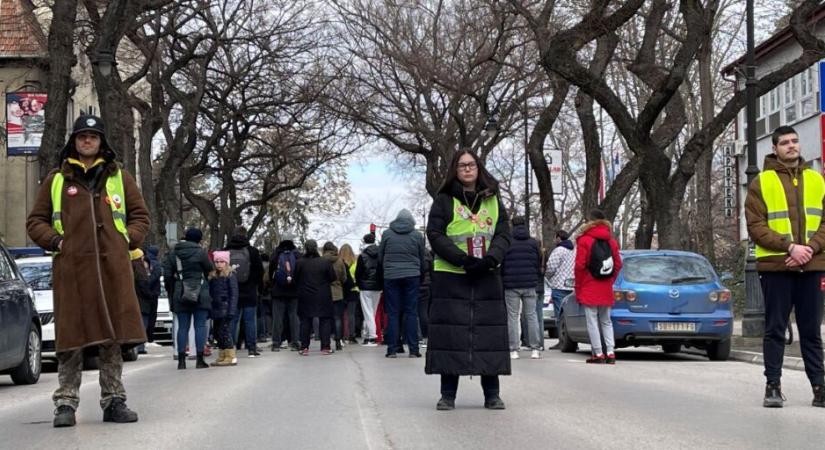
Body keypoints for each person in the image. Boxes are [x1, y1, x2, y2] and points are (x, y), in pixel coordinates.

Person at [26, 114, 150, 427]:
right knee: (71, 341)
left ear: (101, 142)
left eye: (93, 137)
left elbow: (140, 216)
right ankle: (66, 403)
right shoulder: (58, 179)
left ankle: (114, 400)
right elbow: (35, 221)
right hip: (73, 273)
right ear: (74, 141)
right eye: (82, 136)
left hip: (112, 271)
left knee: (112, 338)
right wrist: (57, 241)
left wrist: (126, 240)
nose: (87, 141)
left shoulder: (119, 177)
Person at [745, 125, 825, 408]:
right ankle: (773, 386)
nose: (792, 146)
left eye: (795, 141)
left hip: (811, 265)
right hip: (777, 267)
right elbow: (755, 226)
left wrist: (809, 250)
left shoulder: (817, 180)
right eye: (785, 143)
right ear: (775, 148)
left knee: (811, 330)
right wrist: (790, 247)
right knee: (775, 328)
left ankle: (819, 387)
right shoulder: (761, 182)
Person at [425, 149, 512, 411]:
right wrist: (462, 259)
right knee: (451, 335)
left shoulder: (494, 199)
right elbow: (435, 234)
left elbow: (503, 233)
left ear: (478, 167)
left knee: (489, 335)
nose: (467, 169)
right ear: (455, 169)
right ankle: (447, 394)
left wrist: (491, 259)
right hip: (452, 275)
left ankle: (492, 394)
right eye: (461, 165)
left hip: (487, 274)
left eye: (471, 164)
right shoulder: (443, 200)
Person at [574, 209, 622, 365]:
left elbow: (580, 265)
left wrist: (579, 286)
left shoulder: (584, 240)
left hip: (589, 284)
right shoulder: (612, 241)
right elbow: (618, 264)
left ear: (590, 222)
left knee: (592, 321)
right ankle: (611, 352)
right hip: (606, 286)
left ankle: (598, 354)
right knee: (606, 321)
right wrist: (610, 280)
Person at [379, 209, 427, 358]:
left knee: (392, 313)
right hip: (412, 275)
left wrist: (385, 272)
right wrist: (421, 274)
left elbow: (381, 257)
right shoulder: (417, 235)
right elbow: (422, 257)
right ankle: (413, 350)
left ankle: (392, 350)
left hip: (391, 276)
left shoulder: (386, 234)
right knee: (411, 312)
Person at [164, 227, 213, 369]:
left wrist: (174, 288)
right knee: (199, 326)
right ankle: (199, 359)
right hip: (200, 292)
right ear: (199, 239)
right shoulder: (201, 253)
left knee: (182, 327)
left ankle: (181, 361)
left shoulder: (174, 253)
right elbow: (209, 270)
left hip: (180, 292)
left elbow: (167, 275)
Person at [501, 216, 543, 360]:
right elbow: (538, 262)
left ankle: (513, 349)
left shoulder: (508, 242)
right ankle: (535, 349)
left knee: (512, 317)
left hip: (511, 284)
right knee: (531, 316)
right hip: (530, 283)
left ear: (511, 226)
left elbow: (503, 262)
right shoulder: (533, 243)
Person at [225, 226, 264, 358]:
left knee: (233, 320)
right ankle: (251, 348)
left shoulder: (226, 251)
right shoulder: (252, 251)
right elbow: (259, 271)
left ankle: (230, 348)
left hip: (232, 291)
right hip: (249, 291)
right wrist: (256, 285)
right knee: (250, 320)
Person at [294, 240, 336, 355]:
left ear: (305, 248)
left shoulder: (299, 263)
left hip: (305, 295)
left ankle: (304, 347)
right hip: (323, 295)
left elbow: (294, 279)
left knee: (305, 321)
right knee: (325, 320)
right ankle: (325, 347)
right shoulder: (325, 262)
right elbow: (332, 277)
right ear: (317, 248)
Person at [269, 237, 301, 351]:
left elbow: (271, 271)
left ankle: (276, 343)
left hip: (278, 290)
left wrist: (273, 284)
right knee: (294, 317)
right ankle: (295, 341)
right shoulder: (297, 254)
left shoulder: (276, 254)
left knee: (278, 318)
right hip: (294, 290)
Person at [545, 230, 575, 350]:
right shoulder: (574, 250)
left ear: (558, 238)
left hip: (559, 285)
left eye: (554, 238)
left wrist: (547, 276)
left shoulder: (559, 250)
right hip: (572, 285)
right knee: (570, 315)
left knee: (560, 315)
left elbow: (551, 266)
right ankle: (571, 340)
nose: (554, 240)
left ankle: (562, 341)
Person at [209, 251, 239, 366]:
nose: (219, 264)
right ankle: (222, 354)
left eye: (221, 261)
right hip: (216, 309)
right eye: (216, 261)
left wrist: (231, 310)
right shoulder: (214, 276)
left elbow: (234, 294)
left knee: (224, 332)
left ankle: (230, 355)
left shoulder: (230, 275)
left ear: (226, 262)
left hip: (226, 308)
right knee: (217, 333)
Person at [355, 233, 382, 346]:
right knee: (373, 312)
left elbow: (358, 272)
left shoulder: (363, 255)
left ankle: (371, 336)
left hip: (365, 286)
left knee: (368, 312)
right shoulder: (381, 253)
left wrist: (359, 283)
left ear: (364, 241)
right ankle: (368, 335)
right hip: (378, 286)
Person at [322, 241, 348, 350]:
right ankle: (338, 341)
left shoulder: (321, 261)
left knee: (325, 319)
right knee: (338, 318)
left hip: (324, 292)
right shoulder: (339, 261)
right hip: (337, 292)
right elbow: (344, 278)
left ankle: (325, 343)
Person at [133, 250, 154, 355]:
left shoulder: (129, 268)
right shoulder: (140, 271)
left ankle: (138, 346)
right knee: (143, 324)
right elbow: (144, 286)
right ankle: (140, 346)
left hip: (135, 301)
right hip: (142, 302)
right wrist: (150, 295)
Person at [339, 244, 362, 343]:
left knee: (341, 314)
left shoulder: (339, 262)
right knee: (351, 314)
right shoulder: (355, 262)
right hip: (354, 290)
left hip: (342, 290)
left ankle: (343, 334)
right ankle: (352, 335)